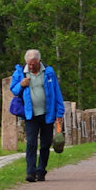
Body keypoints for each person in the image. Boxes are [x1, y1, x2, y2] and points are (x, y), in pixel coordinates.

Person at [10, 49, 66, 182]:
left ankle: (41, 170)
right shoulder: (20, 73)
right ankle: (30, 172)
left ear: (39, 61)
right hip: (30, 115)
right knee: (31, 143)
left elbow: (56, 92)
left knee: (45, 144)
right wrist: (21, 85)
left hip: (47, 114)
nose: (31, 66)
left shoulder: (48, 73)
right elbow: (13, 89)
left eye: (33, 64)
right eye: (29, 64)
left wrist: (59, 112)